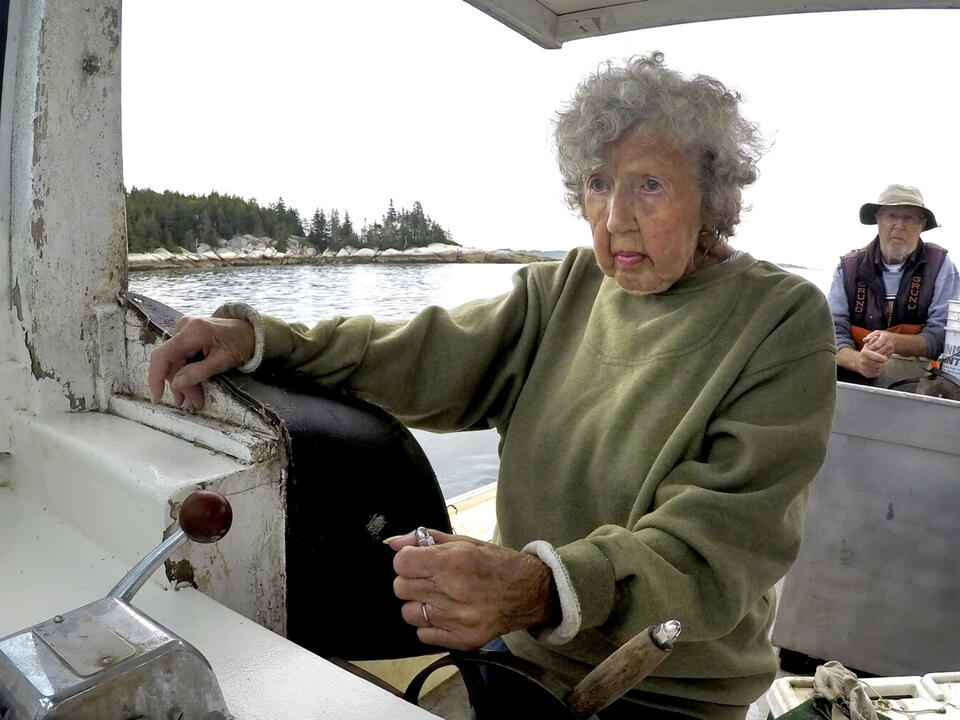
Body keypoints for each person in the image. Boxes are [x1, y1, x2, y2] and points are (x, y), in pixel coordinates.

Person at [148, 53, 836, 720]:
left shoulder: (781, 319)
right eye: (599, 182)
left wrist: (541, 586)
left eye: (649, 185)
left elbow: (717, 545)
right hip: (518, 653)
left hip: (668, 689)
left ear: (711, 196)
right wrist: (262, 340)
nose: (616, 217)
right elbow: (415, 353)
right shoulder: (565, 288)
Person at [827, 184, 960, 384]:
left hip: (917, 385)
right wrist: (858, 361)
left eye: (909, 218)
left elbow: (942, 338)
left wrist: (893, 342)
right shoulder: (847, 268)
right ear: (878, 220)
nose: (899, 225)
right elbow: (830, 334)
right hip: (854, 383)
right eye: (891, 216)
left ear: (922, 225)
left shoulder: (941, 265)